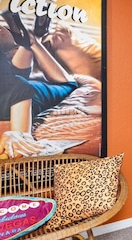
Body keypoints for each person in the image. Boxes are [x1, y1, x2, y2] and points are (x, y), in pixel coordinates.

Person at [0, 10, 78, 158]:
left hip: (29, 93)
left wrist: (12, 135)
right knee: (16, 76)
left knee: (70, 86)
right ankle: (31, 39)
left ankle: (31, 39)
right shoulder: (15, 83)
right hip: (14, 84)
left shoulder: (19, 88)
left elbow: (22, 141)